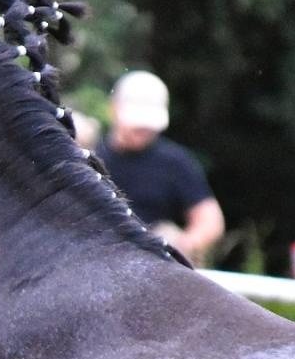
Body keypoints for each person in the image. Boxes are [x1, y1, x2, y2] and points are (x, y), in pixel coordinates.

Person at [95, 70, 225, 264]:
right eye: (137, 124)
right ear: (114, 109)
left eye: (148, 125)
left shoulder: (175, 162)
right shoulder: (92, 158)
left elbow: (210, 220)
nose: (143, 130)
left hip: (155, 259)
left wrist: (183, 245)